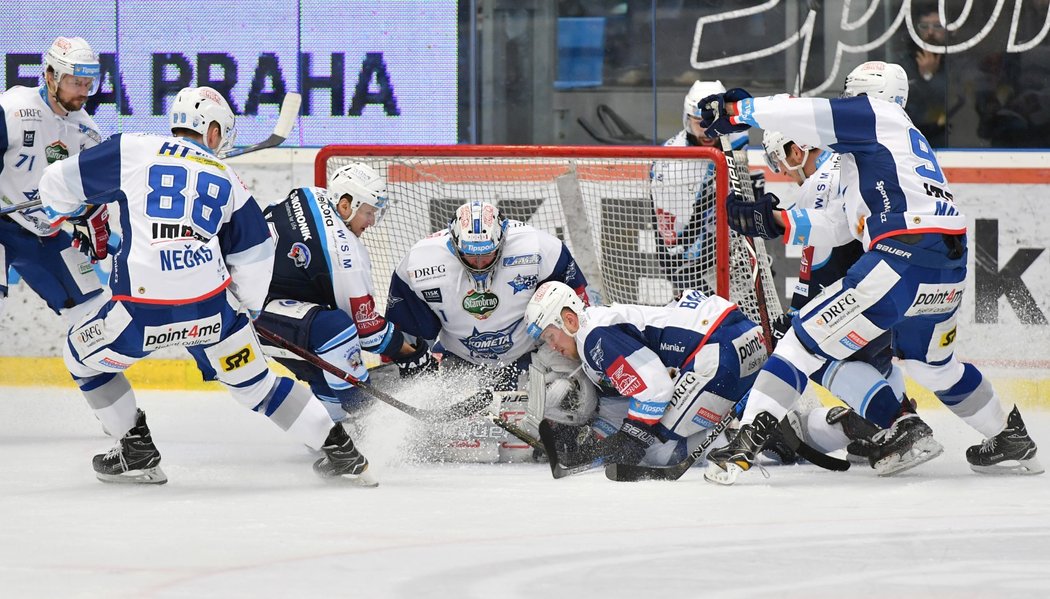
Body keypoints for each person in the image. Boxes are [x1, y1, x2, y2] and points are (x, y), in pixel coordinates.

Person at [696, 61, 1043, 484]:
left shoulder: (879, 117)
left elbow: (807, 114)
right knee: (933, 366)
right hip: (946, 259)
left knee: (800, 343)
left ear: (867, 95)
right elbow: (842, 225)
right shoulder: (883, 149)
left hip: (904, 255)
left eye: (851, 96)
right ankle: (1009, 436)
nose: (846, 104)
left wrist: (740, 111)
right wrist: (778, 223)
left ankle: (743, 447)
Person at [36, 86, 374, 486]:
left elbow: (54, 184)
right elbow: (258, 252)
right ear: (212, 132)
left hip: (139, 314)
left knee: (80, 357)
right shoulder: (226, 176)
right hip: (212, 313)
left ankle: (136, 450)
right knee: (258, 387)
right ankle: (343, 453)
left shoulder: (131, 149)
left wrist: (78, 214)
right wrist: (244, 311)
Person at [760, 127, 919, 464]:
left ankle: (900, 424)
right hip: (903, 286)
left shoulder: (817, 185)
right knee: (875, 359)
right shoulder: (851, 162)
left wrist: (796, 318)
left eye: (780, 159)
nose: (784, 171)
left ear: (796, 150)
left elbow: (821, 266)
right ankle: (888, 424)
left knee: (817, 354)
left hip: (865, 293)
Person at [523, 280, 767, 469]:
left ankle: (748, 439)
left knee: (657, 450)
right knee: (648, 430)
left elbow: (655, 388)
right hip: (744, 340)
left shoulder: (593, 336)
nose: (553, 347)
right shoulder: (596, 337)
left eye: (551, 336)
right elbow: (618, 409)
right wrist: (587, 446)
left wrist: (633, 438)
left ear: (569, 320)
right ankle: (765, 424)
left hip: (717, 349)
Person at [257, 162, 416, 423]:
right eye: (368, 212)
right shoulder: (345, 254)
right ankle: (365, 412)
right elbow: (369, 333)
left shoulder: (308, 193)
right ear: (345, 205)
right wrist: (412, 352)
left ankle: (331, 429)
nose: (372, 221)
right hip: (255, 312)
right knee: (335, 330)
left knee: (324, 352)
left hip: (246, 298)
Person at [385, 199, 590, 388]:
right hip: (460, 360)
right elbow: (407, 335)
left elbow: (577, 310)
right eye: (471, 256)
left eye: (487, 254)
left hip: (531, 356)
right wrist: (416, 367)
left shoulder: (540, 248)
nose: (480, 264)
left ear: (502, 241)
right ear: (455, 244)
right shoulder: (419, 263)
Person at [1, 37, 107, 326]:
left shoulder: (87, 131)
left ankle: (95, 372)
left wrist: (91, 215)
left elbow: (96, 193)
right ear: (50, 76)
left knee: (95, 314)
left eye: (88, 84)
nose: (83, 92)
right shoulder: (12, 109)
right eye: (76, 83)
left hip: (42, 232)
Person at [650, 80, 758, 295]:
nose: (709, 132)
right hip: (692, 259)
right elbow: (669, 234)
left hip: (732, 250)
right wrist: (687, 267)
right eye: (701, 123)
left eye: (713, 123)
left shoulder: (735, 138)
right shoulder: (671, 162)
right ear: (687, 120)